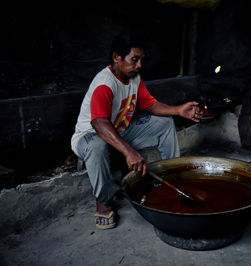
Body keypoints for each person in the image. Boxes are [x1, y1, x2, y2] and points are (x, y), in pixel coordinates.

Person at [71, 32, 202, 229]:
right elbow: (99, 124)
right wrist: (129, 152)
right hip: (90, 137)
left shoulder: (134, 78)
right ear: (117, 57)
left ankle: (171, 176)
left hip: (120, 132)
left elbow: (149, 104)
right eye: (134, 59)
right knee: (97, 145)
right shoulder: (104, 84)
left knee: (165, 123)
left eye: (141, 59)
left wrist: (178, 110)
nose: (139, 65)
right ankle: (103, 201)